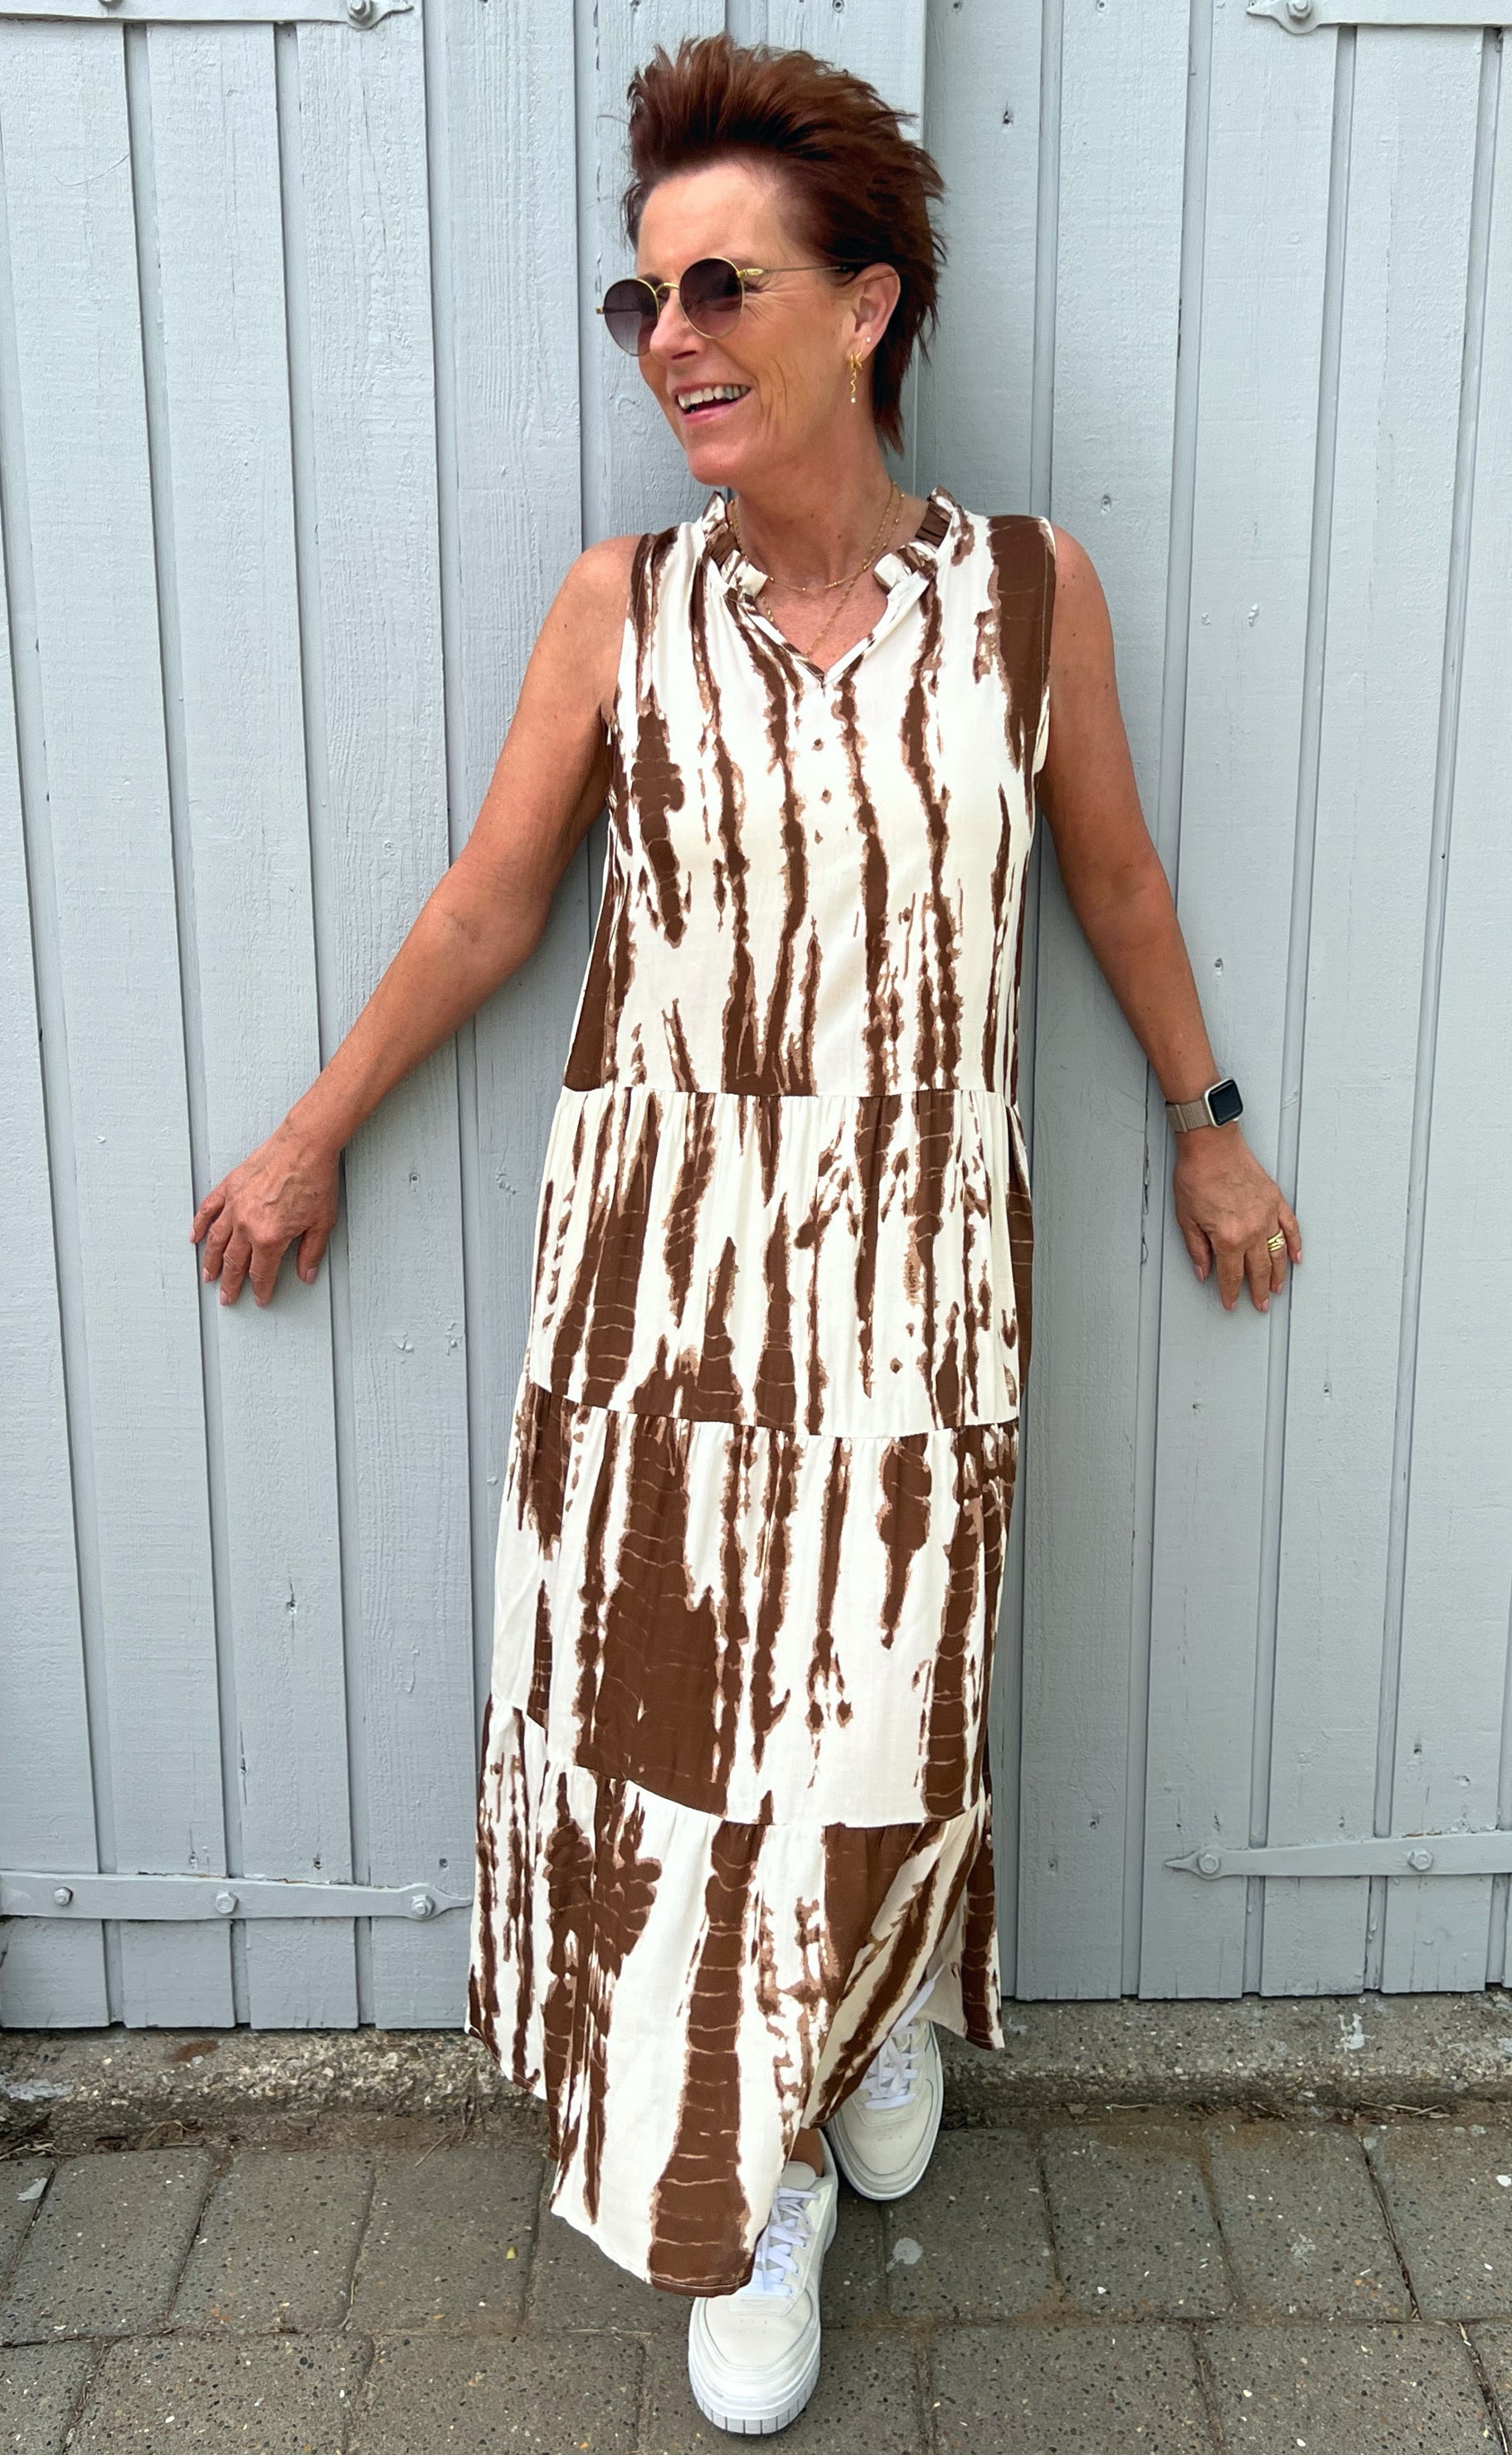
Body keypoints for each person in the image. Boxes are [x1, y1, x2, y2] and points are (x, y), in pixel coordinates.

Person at [191, 32, 1302, 2438]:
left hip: (916, 1268)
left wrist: (1205, 1122)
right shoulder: (621, 607)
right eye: (645, 300)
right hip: (664, 1285)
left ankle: (875, 2012)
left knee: (887, 1706)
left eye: (720, 288)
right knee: (691, 1754)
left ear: (865, 308)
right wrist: (309, 1135)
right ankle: (751, 2177)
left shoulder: (1029, 598)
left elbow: (1113, 882)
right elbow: (491, 906)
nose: (672, 339)